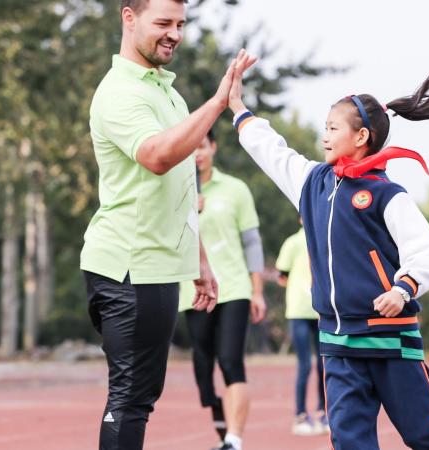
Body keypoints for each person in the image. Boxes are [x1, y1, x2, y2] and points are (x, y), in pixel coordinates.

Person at [226, 57, 429, 450]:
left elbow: (425, 251)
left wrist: (402, 290)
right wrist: (239, 109)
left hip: (390, 341)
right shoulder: (312, 183)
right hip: (338, 344)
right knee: (350, 442)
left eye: (332, 128)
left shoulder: (386, 195)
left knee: (424, 433)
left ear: (361, 137)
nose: (324, 135)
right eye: (324, 127)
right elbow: (273, 152)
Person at [80, 0, 254, 446]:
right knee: (130, 397)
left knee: (139, 395)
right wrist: (219, 103)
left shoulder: (167, 91)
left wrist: (198, 259)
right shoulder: (120, 91)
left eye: (180, 24)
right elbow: (157, 157)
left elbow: (180, 186)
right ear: (129, 17)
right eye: (163, 23)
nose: (174, 33)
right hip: (127, 266)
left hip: (156, 268)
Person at [180, 129, 267, 450]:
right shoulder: (174, 191)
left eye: (202, 146)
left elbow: (252, 243)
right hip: (192, 293)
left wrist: (257, 290)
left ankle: (234, 439)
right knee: (204, 369)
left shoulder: (235, 189)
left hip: (233, 288)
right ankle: (220, 419)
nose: (197, 154)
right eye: (190, 148)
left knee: (230, 361)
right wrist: (186, 211)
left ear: (213, 147)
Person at [276, 222, 327, 435]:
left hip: (322, 311)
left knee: (324, 365)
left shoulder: (324, 237)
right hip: (298, 310)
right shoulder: (292, 243)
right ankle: (300, 415)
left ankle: (323, 412)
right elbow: (281, 275)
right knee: (304, 365)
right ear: (300, 219)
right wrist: (300, 287)